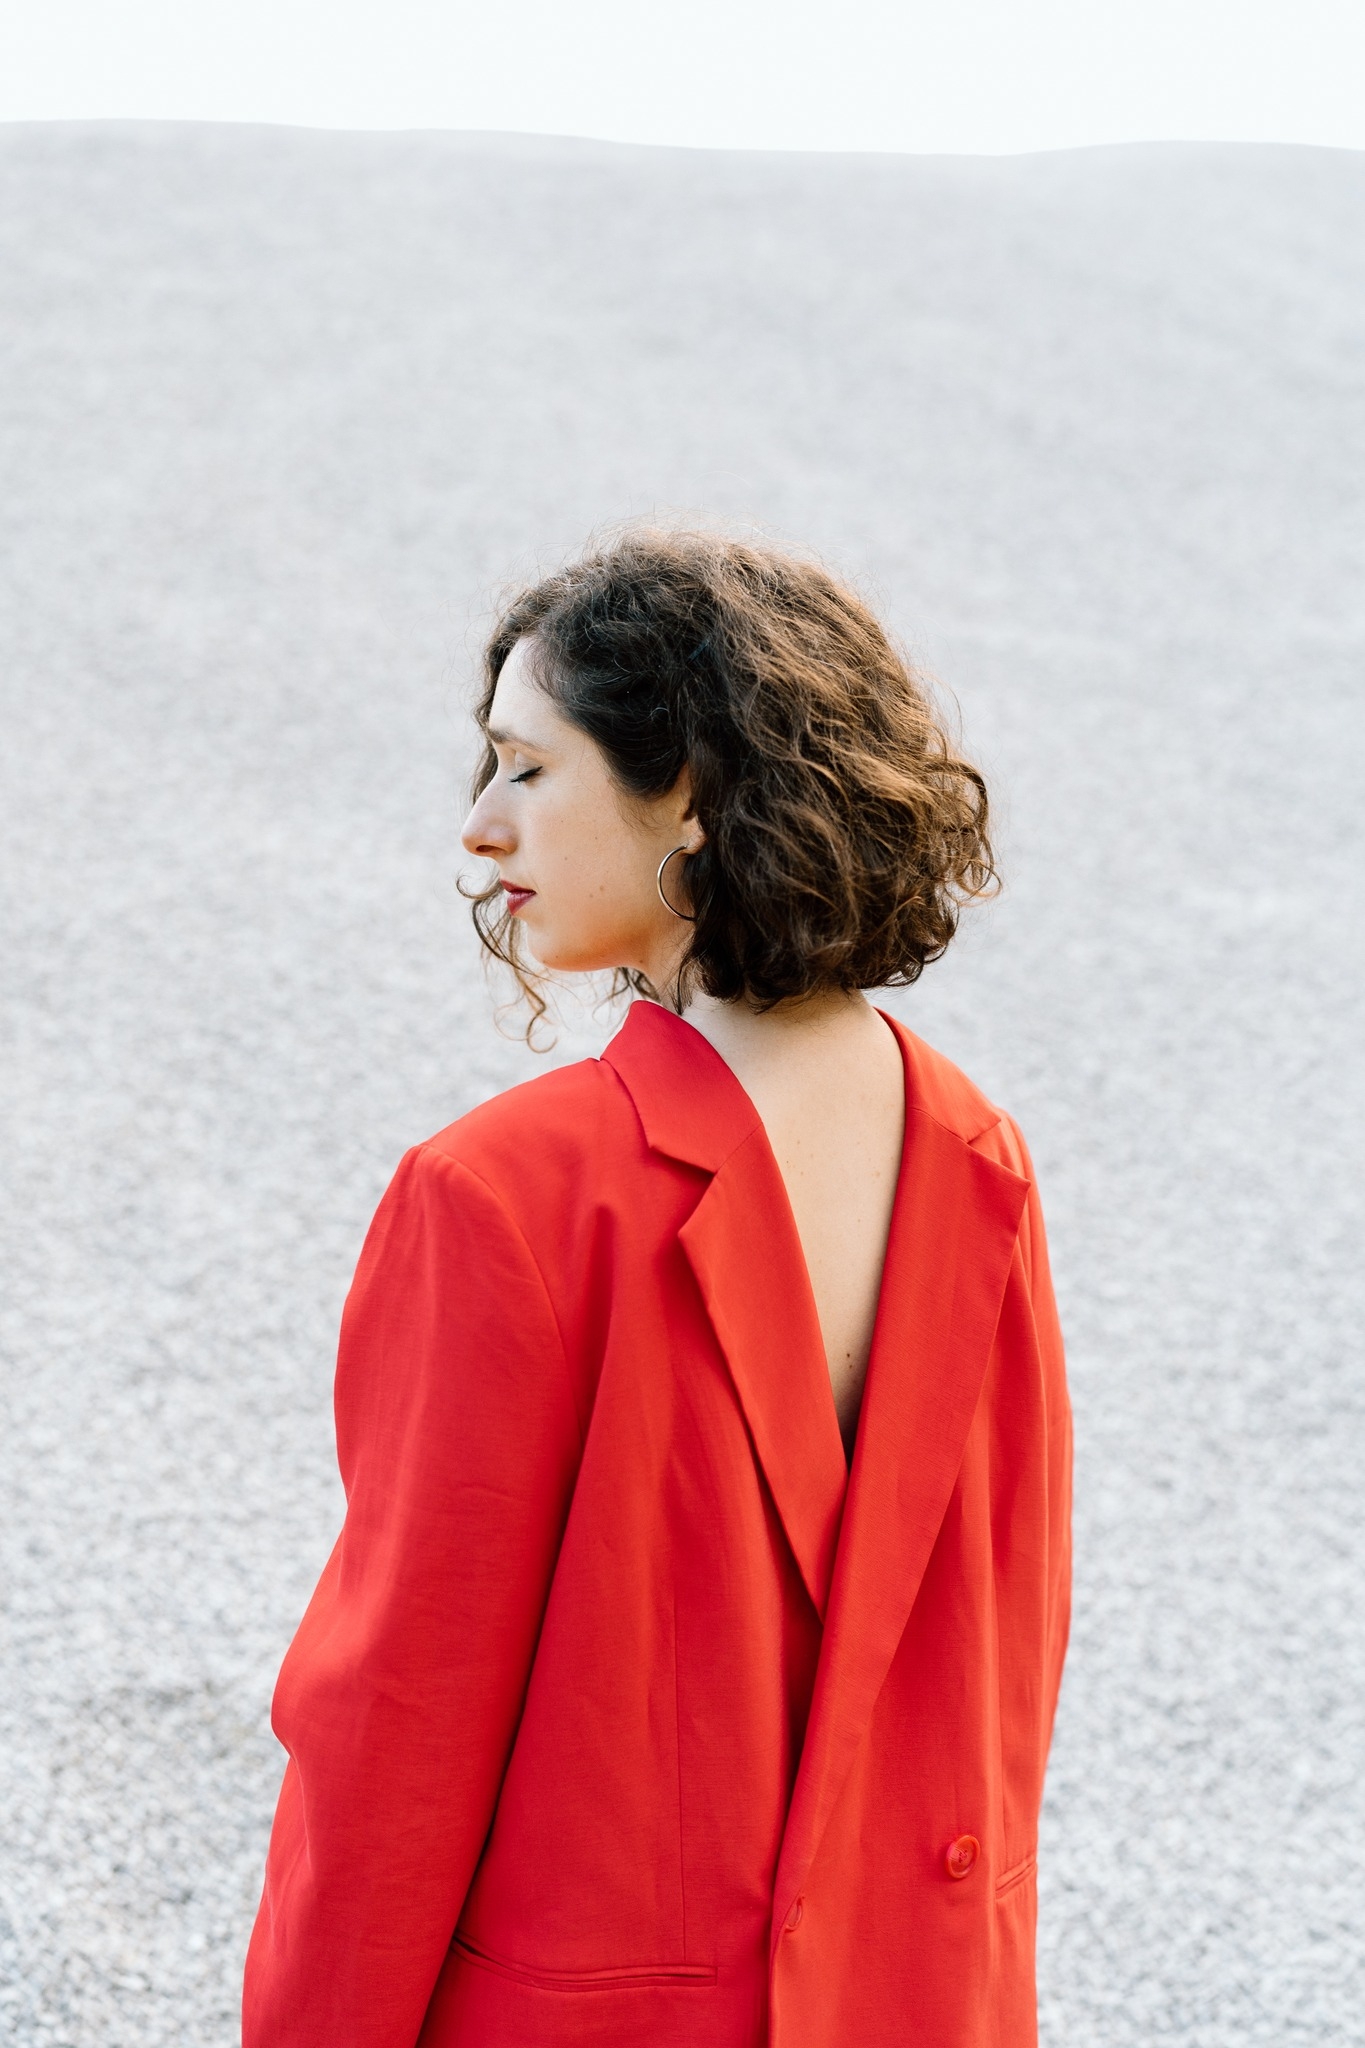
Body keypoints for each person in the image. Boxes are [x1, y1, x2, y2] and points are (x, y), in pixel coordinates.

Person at [242, 530, 1072, 2048]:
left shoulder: (506, 1196)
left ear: (684, 790)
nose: (479, 826)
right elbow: (1004, 1666)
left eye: (525, 766)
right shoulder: (974, 1153)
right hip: (917, 1999)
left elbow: (395, 1733)